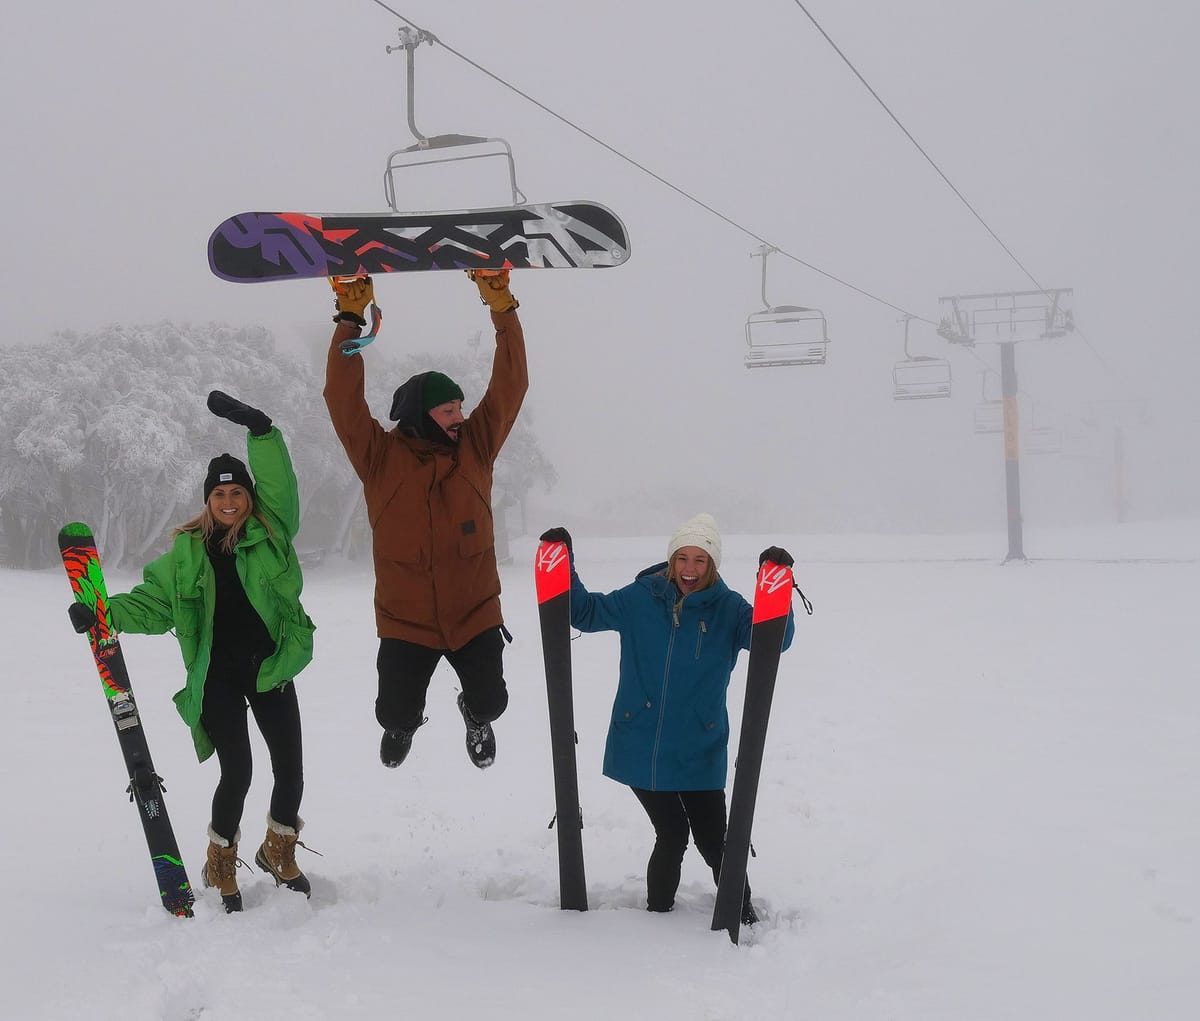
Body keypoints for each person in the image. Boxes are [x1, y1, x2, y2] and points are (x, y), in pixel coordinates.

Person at [70, 391, 316, 913]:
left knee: (290, 769)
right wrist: (103, 612)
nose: (229, 502)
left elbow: (281, 487)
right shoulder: (185, 554)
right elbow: (153, 604)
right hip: (217, 677)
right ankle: (220, 861)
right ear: (208, 501)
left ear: (250, 499)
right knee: (239, 771)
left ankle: (278, 850)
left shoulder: (273, 535)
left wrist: (262, 431)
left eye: (237, 493)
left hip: (271, 667)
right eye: (219, 494)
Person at [542, 513, 796, 925]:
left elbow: (775, 641)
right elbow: (586, 613)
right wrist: (563, 563)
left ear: (712, 564)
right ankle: (657, 916)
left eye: (700, 560)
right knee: (673, 832)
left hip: (699, 746)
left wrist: (776, 586)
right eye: (683, 558)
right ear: (671, 559)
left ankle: (742, 914)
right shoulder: (640, 598)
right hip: (640, 743)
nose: (689, 570)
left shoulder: (728, 610)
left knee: (715, 841)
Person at [323, 271, 527, 771]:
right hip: (405, 618)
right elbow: (342, 400)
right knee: (393, 712)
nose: (460, 416)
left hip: (475, 610)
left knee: (492, 702)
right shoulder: (380, 458)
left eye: (460, 406)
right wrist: (350, 320)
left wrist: (502, 307)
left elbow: (511, 384)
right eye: (447, 409)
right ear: (419, 414)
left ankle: (474, 716)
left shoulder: (476, 448)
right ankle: (403, 725)